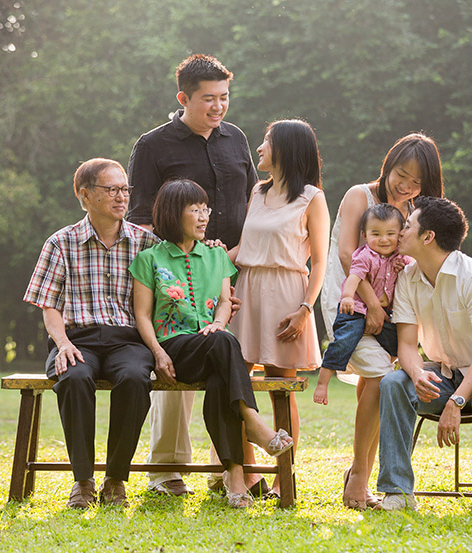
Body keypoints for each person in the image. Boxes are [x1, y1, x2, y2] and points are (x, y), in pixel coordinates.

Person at [126, 53, 258, 496]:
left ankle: (232, 471)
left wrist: (228, 261)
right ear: (183, 97)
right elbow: (141, 217)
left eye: (224, 97)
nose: (218, 107)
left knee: (227, 367)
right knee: (176, 372)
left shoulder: (236, 139)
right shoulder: (153, 145)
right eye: (208, 99)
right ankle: (167, 468)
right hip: (176, 276)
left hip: (234, 271)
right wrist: (194, 258)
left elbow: (252, 205)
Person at [130, 179, 294, 509]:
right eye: (196, 210)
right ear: (174, 214)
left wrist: (219, 322)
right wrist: (158, 352)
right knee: (225, 344)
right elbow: (143, 316)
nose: (204, 216)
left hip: (212, 345)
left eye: (206, 209)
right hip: (174, 349)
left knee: (222, 370)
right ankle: (255, 425)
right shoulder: (149, 259)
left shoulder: (217, 255)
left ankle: (235, 479)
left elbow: (223, 302)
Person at [377, 196, 472, 513]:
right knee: (393, 384)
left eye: (408, 226)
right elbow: (406, 345)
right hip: (444, 374)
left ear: (427, 237)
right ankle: (397, 492)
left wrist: (457, 401)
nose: (399, 232)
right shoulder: (408, 278)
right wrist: (417, 375)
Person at [23, 158, 157, 509]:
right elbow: (48, 305)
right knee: (74, 376)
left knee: (133, 377)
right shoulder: (61, 243)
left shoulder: (146, 243)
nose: (121, 197)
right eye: (111, 189)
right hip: (77, 338)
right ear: (85, 195)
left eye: (124, 189)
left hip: (128, 340)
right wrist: (62, 343)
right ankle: (82, 481)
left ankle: (116, 480)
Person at [319, 132, 444, 510]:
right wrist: (371, 305)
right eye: (401, 175)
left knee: (374, 385)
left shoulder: (414, 213)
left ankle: (360, 473)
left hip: (391, 306)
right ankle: (358, 478)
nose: (406, 186)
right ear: (389, 164)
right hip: (347, 299)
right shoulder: (361, 195)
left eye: (416, 182)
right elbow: (345, 254)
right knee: (377, 377)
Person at [227, 119, 330, 498]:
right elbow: (246, 247)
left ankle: (283, 477)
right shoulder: (258, 190)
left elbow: (319, 261)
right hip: (247, 290)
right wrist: (215, 258)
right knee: (234, 387)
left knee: (279, 389)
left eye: (266, 142)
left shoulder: (312, 198)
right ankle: (247, 476)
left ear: (285, 148)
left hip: (288, 295)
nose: (259, 149)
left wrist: (305, 309)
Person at [313, 204, 408, 405]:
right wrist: (347, 296)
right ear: (364, 235)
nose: (384, 239)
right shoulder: (364, 255)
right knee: (344, 340)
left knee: (400, 343)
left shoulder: (400, 256)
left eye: (390, 233)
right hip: (355, 309)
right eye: (376, 234)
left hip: (385, 313)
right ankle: (323, 381)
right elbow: (354, 277)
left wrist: (405, 265)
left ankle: (397, 373)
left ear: (400, 235)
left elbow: (414, 268)